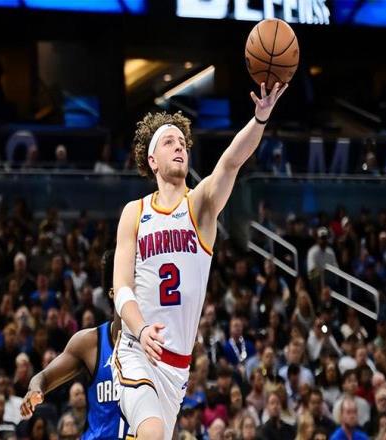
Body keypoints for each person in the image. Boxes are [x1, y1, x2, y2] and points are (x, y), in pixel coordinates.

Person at [113, 81, 288, 440]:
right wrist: (141, 329)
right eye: (169, 142)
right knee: (150, 432)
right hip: (135, 350)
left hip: (177, 367)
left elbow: (232, 161)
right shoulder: (135, 212)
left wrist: (260, 117)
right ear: (152, 160)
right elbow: (121, 287)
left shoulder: (200, 205)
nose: (179, 146)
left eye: (182, 142)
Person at [20, 250, 132, 440]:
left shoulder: (154, 342)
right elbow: (44, 377)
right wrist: (35, 391)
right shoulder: (89, 343)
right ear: (112, 291)